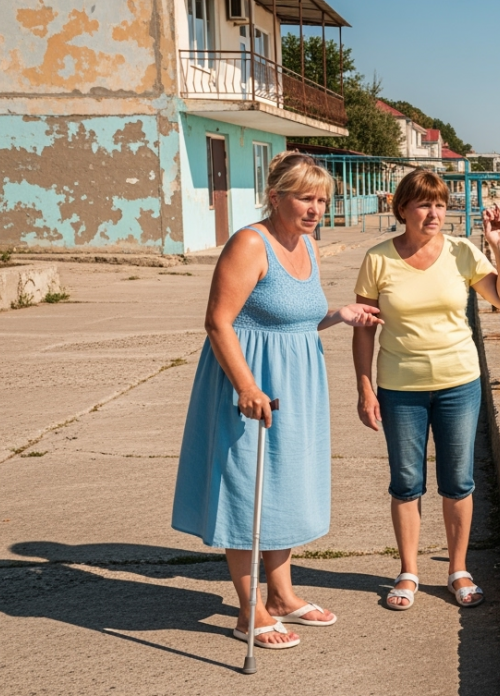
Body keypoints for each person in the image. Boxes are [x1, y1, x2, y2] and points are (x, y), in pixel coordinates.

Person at [171, 152, 383, 649]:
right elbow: (218, 321)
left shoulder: (307, 244)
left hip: (298, 384)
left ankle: (283, 596)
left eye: (322, 200)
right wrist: (246, 386)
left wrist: (340, 315)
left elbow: (295, 320)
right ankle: (249, 610)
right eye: (306, 198)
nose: (316, 209)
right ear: (275, 197)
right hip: (249, 383)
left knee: (285, 485)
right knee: (246, 487)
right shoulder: (250, 242)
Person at [352, 169, 500, 610]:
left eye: (440, 205)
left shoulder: (462, 252)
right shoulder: (378, 259)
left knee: (458, 482)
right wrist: (365, 388)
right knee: (406, 482)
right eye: (424, 204)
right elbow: (364, 330)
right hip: (399, 387)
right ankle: (408, 572)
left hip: (458, 384)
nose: (434, 213)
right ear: (403, 208)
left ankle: (458, 569)